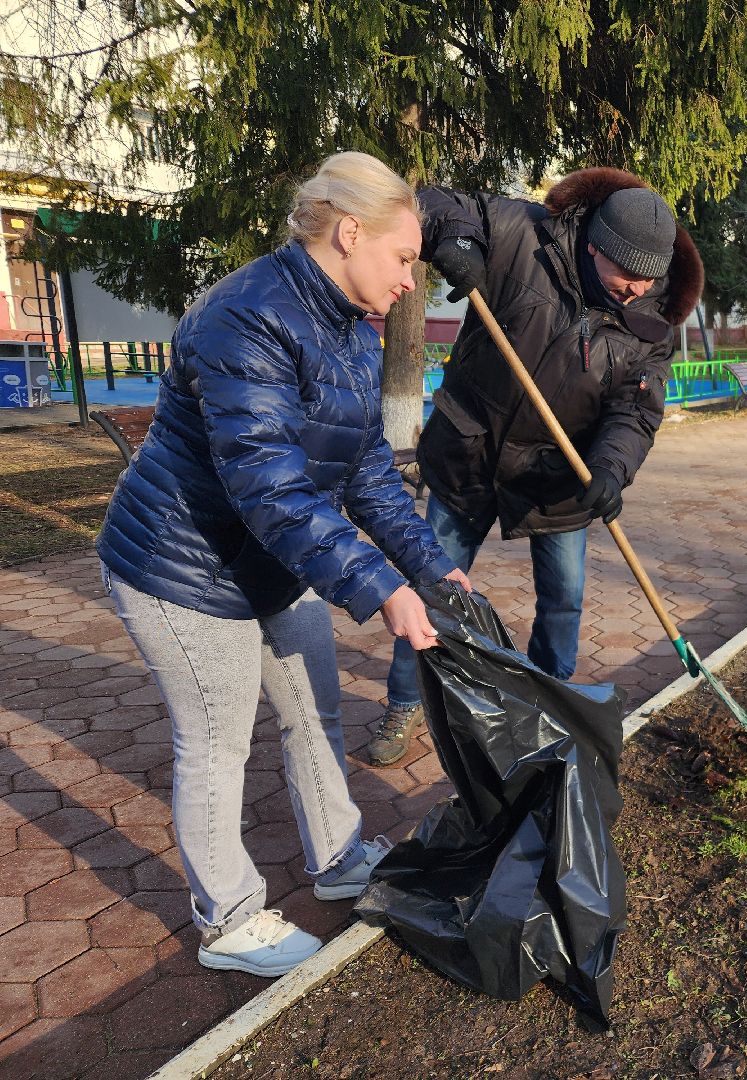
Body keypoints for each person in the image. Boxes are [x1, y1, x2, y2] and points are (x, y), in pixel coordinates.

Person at [96, 151, 471, 978]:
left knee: (315, 713)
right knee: (217, 740)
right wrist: (380, 590)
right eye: (404, 258)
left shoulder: (349, 328)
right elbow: (269, 487)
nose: (416, 280)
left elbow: (367, 468)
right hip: (180, 567)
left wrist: (430, 567)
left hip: (269, 561)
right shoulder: (246, 315)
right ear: (348, 234)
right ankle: (227, 921)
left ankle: (338, 861)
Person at [367, 167, 703, 766]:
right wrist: (459, 246)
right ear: (595, 244)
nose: (635, 291)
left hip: (559, 474)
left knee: (564, 601)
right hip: (469, 450)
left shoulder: (651, 321)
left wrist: (609, 469)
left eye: (647, 280)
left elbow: (635, 408)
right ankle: (404, 701)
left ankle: (551, 704)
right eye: (626, 276)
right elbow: (438, 204)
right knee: (432, 584)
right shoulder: (525, 235)